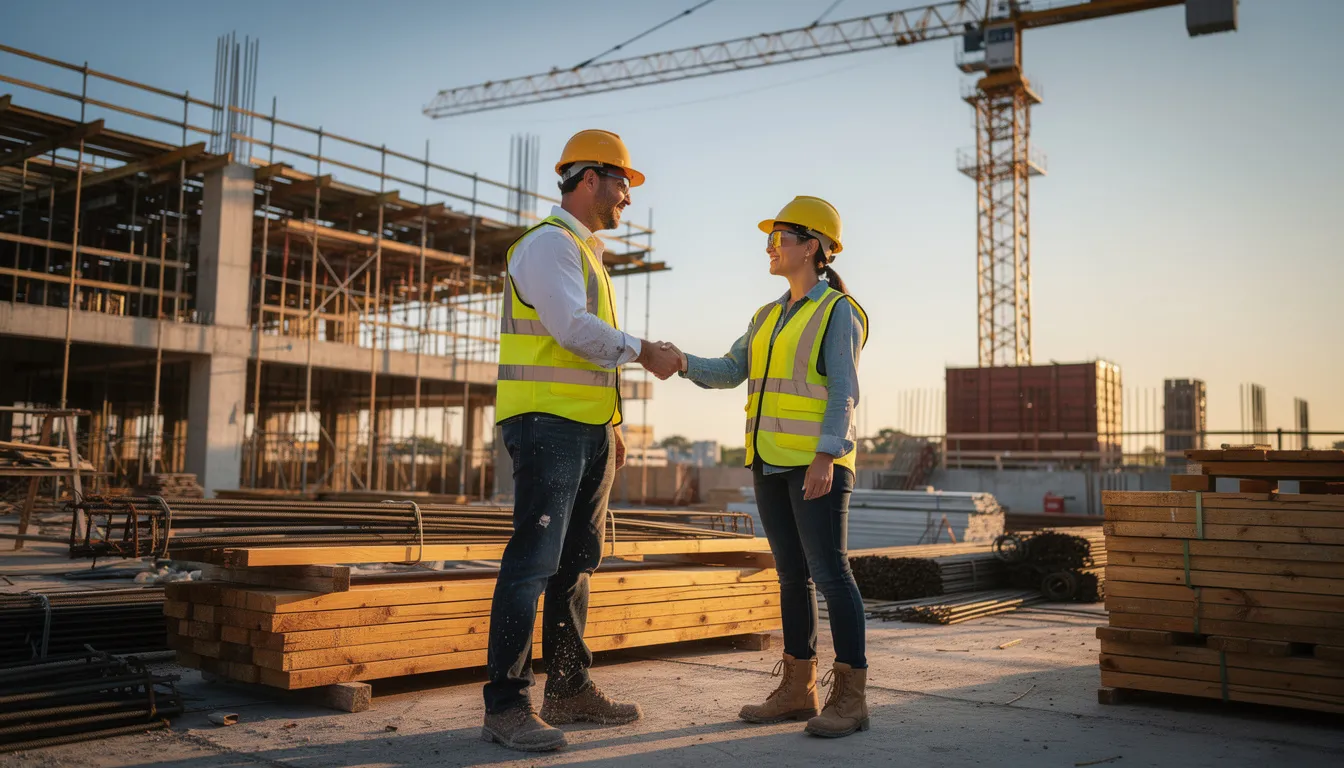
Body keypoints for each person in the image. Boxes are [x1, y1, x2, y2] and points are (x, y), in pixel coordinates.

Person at [482, 129, 683, 753]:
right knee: (533, 562)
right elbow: (570, 331)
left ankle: (568, 689)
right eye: (623, 182)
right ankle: (506, 706)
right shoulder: (548, 246)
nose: (628, 196)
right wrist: (643, 350)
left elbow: (583, 354)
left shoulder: (584, 253)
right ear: (590, 178)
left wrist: (611, 425)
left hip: (584, 428)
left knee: (575, 563)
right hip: (545, 424)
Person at [666, 196, 871, 738]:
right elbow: (733, 369)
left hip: (816, 464)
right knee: (791, 576)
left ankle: (851, 698)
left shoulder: (837, 311)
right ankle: (797, 689)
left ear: (812, 247)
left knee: (831, 574)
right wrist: (682, 361)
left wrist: (826, 454)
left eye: (778, 238)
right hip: (768, 461)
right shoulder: (766, 316)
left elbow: (844, 393)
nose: (769, 246)